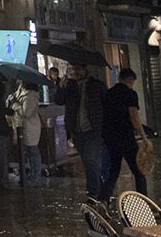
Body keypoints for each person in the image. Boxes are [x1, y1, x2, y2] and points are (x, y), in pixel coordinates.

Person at [99, 68, 149, 200]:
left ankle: (103, 200)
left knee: (113, 172)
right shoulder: (130, 94)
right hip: (126, 138)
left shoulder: (108, 93)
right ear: (130, 80)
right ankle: (144, 201)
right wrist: (144, 138)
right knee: (138, 172)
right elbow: (134, 118)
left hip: (110, 138)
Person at [60, 63, 107, 200]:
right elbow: (59, 101)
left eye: (78, 69)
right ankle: (101, 188)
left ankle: (94, 192)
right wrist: (61, 88)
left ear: (86, 70)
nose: (75, 72)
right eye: (73, 69)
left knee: (91, 160)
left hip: (94, 130)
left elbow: (106, 105)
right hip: (77, 131)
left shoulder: (97, 86)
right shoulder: (69, 86)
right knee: (88, 161)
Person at [14, 81, 44, 185]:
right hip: (22, 126)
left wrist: (15, 105)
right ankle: (30, 175)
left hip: (30, 127)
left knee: (33, 151)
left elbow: (26, 112)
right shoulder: (20, 91)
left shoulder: (31, 95)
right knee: (27, 152)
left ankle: (36, 176)